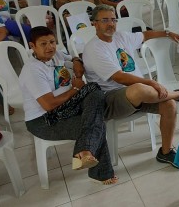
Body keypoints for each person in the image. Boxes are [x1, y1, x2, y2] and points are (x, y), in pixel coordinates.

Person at [82, 5, 179, 167]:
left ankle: (165, 152)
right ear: (94, 24)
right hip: (110, 99)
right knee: (140, 88)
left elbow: (145, 35)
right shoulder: (94, 48)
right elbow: (120, 78)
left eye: (113, 20)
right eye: (105, 20)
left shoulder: (121, 37)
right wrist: (152, 82)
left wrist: (168, 33)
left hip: (140, 94)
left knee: (169, 104)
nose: (110, 24)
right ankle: (178, 94)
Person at [19, 26, 117, 185]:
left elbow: (71, 57)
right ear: (32, 46)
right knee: (94, 123)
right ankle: (100, 171)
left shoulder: (55, 55)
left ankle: (84, 152)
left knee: (94, 90)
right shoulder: (32, 70)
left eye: (52, 42)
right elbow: (49, 105)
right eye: (43, 44)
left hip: (66, 107)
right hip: (43, 120)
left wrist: (77, 61)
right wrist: (75, 89)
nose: (50, 47)